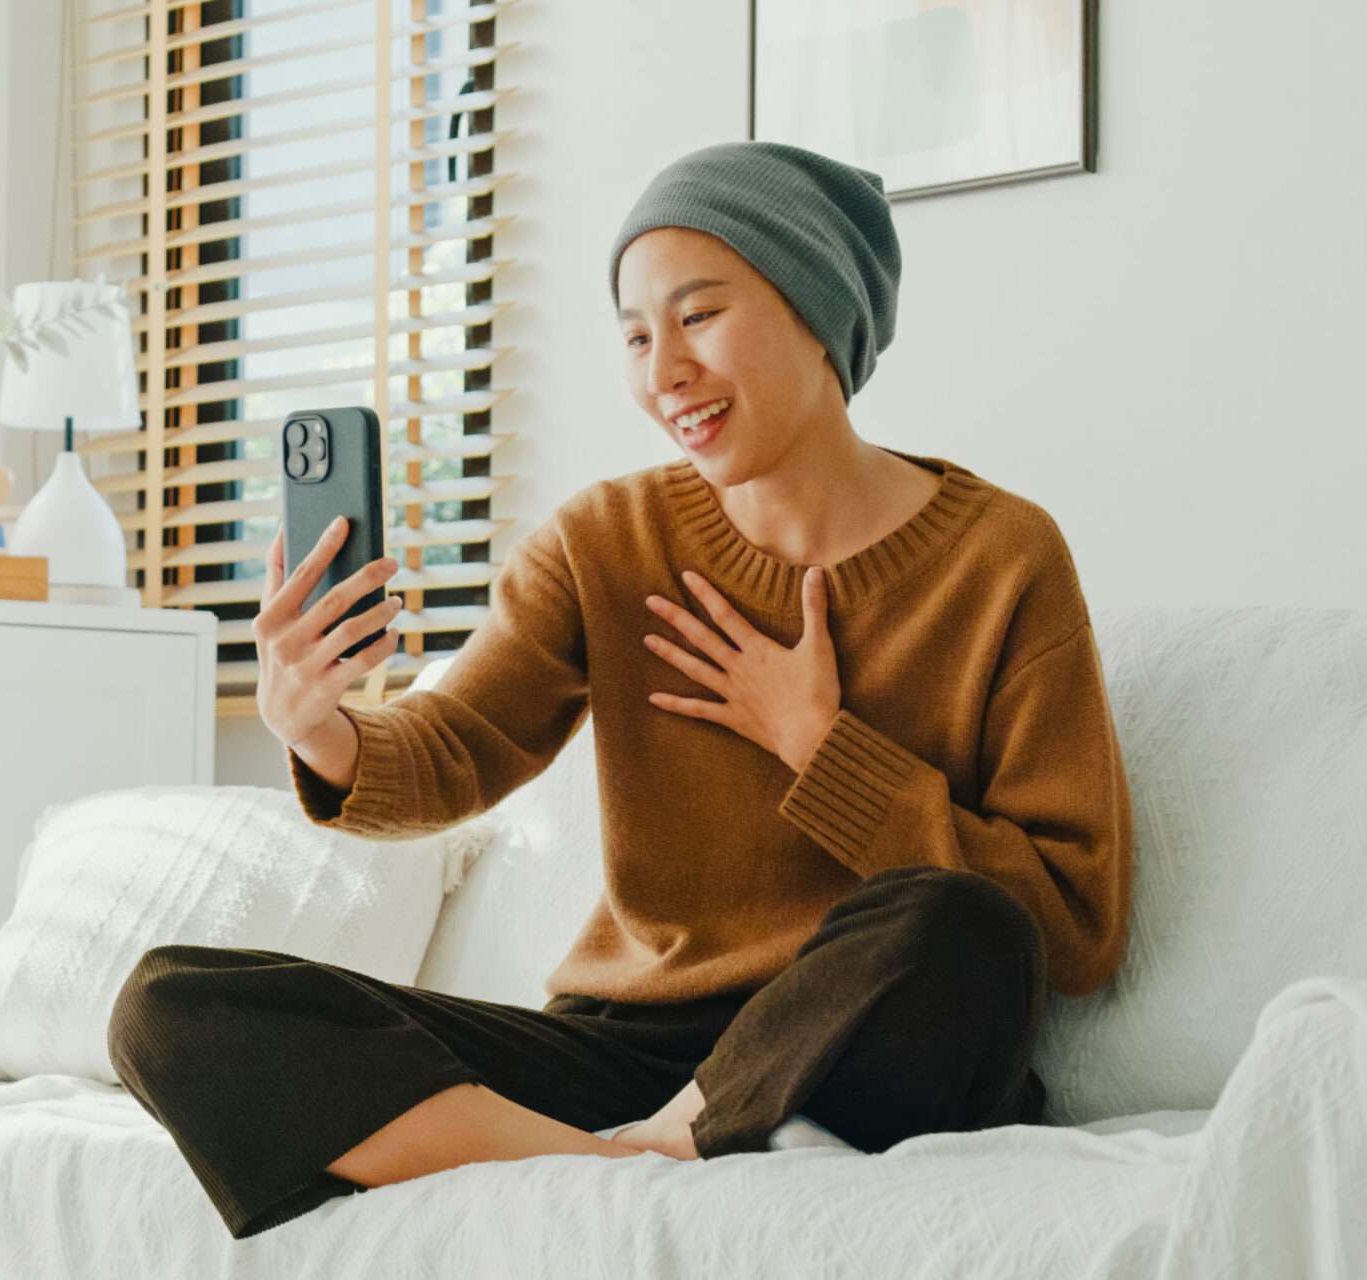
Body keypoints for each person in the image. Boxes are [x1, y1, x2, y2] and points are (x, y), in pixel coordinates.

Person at [106, 140, 1135, 1241]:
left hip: (848, 1036)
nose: (663, 372)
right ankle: (634, 1162)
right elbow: (456, 746)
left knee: (963, 925)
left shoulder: (1001, 559)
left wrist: (821, 746)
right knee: (172, 1005)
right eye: (637, 336)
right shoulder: (607, 540)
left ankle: (656, 1148)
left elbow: (1072, 926)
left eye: (699, 315)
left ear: (817, 308)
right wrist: (320, 730)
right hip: (623, 1055)